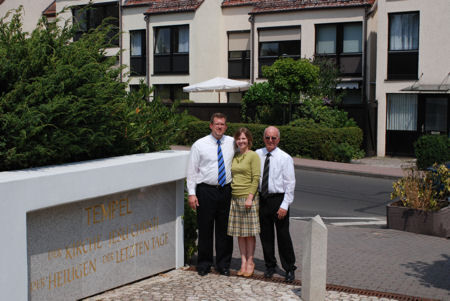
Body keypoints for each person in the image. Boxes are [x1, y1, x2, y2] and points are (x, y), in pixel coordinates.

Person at [186, 112, 234, 276]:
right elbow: (192, 171)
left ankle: (223, 264)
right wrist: (192, 193)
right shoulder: (199, 145)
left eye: (222, 124)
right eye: (217, 124)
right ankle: (204, 263)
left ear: (225, 127)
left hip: (226, 190)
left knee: (225, 230)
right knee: (205, 229)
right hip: (206, 190)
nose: (219, 127)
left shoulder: (232, 143)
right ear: (211, 125)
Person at [256, 126, 297, 282]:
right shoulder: (257, 154)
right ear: (264, 138)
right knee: (266, 236)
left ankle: (289, 268)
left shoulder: (285, 158)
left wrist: (285, 205)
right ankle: (270, 266)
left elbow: (290, 184)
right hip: (263, 199)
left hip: (278, 200)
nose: (270, 141)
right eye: (267, 137)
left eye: (273, 138)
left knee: (283, 236)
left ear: (278, 139)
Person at [227, 128, 261, 277]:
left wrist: (250, 197)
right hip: (235, 198)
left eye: (244, 139)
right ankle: (242, 262)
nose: (241, 141)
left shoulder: (253, 156)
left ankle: (250, 262)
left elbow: (256, 178)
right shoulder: (235, 156)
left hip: (248, 198)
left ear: (249, 140)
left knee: (249, 234)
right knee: (240, 234)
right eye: (239, 139)